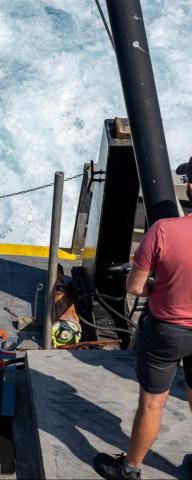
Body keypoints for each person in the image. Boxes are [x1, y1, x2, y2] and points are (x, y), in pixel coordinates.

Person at [94, 158, 192, 480]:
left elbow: (135, 287)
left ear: (190, 188)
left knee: (152, 405)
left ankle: (130, 469)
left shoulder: (163, 231)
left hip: (166, 332)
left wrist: (157, 286)